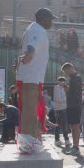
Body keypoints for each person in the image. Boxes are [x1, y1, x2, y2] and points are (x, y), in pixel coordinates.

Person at [14, 8, 56, 152]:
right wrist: (29, 57)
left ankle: (34, 140)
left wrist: (23, 62)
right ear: (43, 19)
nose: (51, 22)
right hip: (31, 78)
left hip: (30, 77)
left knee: (32, 110)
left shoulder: (32, 28)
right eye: (50, 19)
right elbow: (32, 46)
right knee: (30, 111)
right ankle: (29, 142)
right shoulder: (38, 30)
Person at [62, 63, 82, 155]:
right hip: (71, 105)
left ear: (71, 68)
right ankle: (75, 146)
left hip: (75, 105)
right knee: (72, 126)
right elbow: (71, 92)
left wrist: (66, 88)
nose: (66, 73)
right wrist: (66, 88)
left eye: (66, 71)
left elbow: (75, 92)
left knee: (75, 126)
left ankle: (76, 147)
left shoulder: (77, 78)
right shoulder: (72, 79)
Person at [53, 77, 71, 147]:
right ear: (58, 82)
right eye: (62, 81)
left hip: (62, 108)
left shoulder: (63, 88)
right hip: (60, 108)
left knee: (58, 125)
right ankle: (66, 140)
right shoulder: (57, 88)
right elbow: (57, 99)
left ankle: (57, 140)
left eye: (65, 82)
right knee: (63, 125)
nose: (64, 83)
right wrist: (66, 100)